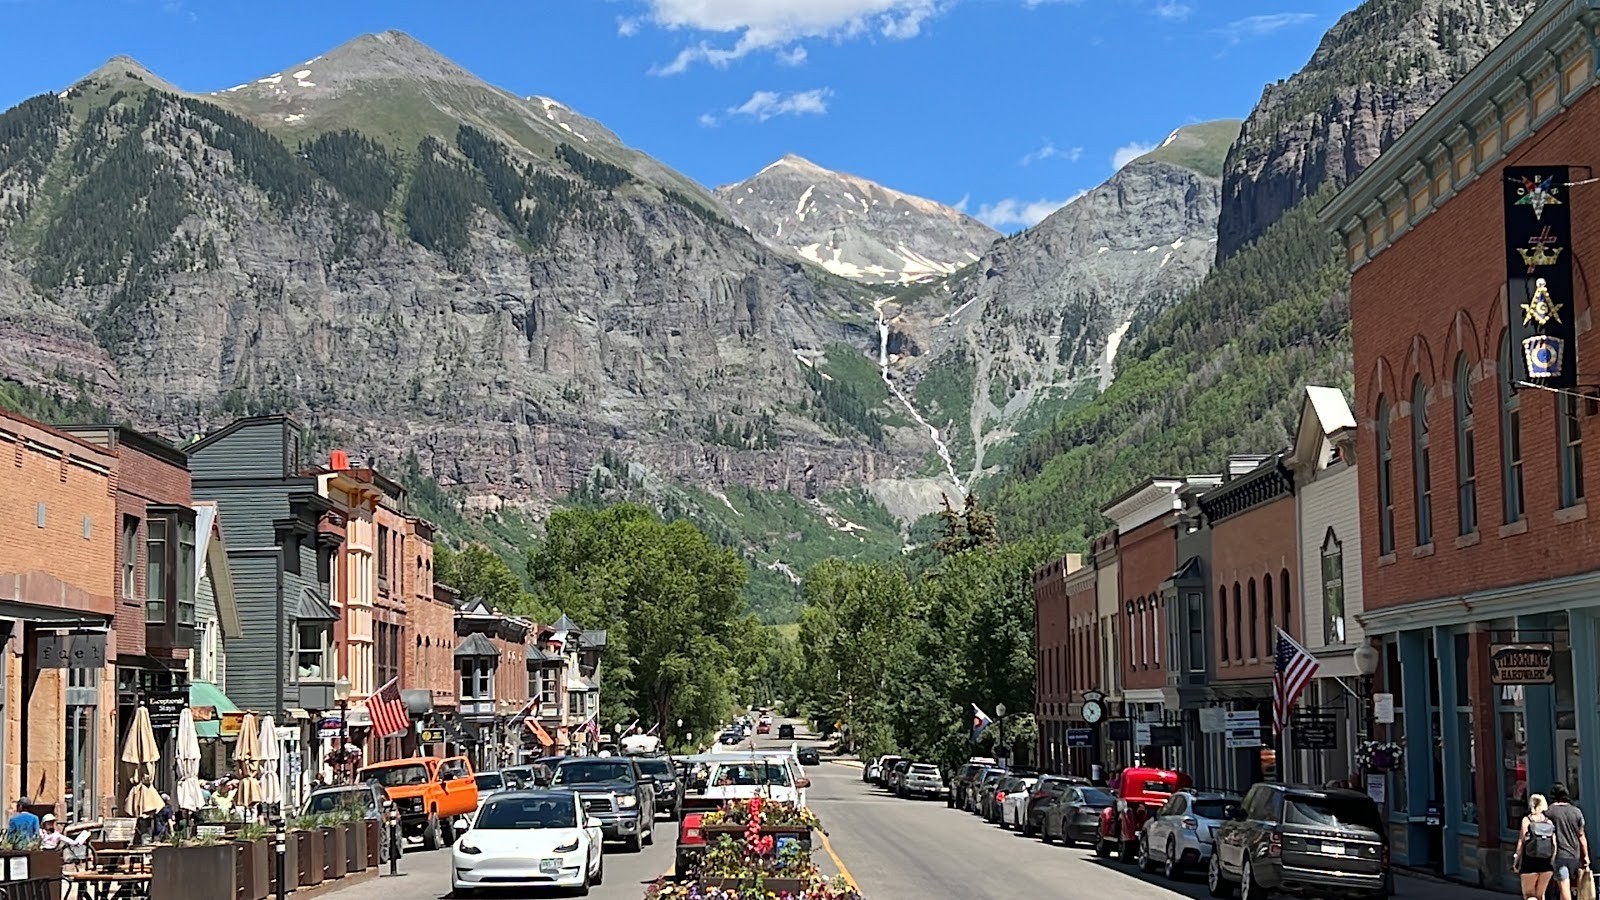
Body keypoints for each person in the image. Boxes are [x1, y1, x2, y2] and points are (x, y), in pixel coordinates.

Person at [1547, 783, 1590, 900]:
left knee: (1564, 888)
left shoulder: (1549, 812)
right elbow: (1581, 835)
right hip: (1575, 855)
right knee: (1567, 888)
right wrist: (1585, 856)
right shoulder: (1576, 811)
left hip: (1559, 855)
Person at [1517, 793, 1558, 900]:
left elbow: (1522, 841)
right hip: (1546, 862)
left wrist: (1517, 859)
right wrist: (1552, 860)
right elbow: (1554, 844)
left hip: (1529, 861)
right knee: (1541, 895)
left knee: (1529, 895)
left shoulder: (1527, 820)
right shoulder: (1549, 822)